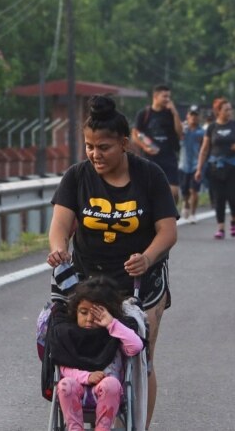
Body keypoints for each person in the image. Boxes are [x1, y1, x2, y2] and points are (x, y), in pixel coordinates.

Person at [48, 95, 178, 430]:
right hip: (88, 282)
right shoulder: (77, 177)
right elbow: (60, 226)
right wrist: (59, 249)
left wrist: (147, 257)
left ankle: (138, 424)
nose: (95, 154)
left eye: (103, 147)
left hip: (140, 280)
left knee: (140, 355)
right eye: (89, 146)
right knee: (81, 347)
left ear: (124, 143)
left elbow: (167, 231)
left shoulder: (150, 176)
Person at [48, 276, 145, 431]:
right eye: (83, 312)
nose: (89, 319)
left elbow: (136, 346)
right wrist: (87, 377)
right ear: (75, 312)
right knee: (65, 383)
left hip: (108, 392)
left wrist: (111, 323)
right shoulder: (70, 335)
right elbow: (64, 368)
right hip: (76, 390)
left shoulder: (114, 335)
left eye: (97, 313)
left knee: (111, 383)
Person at [194, 98, 235, 240]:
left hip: (232, 167)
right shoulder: (212, 128)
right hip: (215, 167)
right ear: (218, 111)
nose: (229, 112)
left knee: (233, 198)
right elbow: (204, 149)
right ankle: (220, 228)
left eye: (230, 109)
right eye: (226, 109)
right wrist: (199, 168)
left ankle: (233, 219)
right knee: (218, 199)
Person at [131, 84, 185, 201]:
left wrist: (175, 113)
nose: (167, 99)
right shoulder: (144, 114)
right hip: (150, 158)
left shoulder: (171, 114)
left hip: (169, 157)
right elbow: (135, 135)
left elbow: (180, 133)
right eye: (164, 96)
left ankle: (170, 215)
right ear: (155, 96)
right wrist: (145, 148)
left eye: (169, 97)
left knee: (174, 193)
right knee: (149, 191)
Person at [177, 107, 206, 222]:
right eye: (191, 115)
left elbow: (206, 147)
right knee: (184, 191)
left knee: (194, 190)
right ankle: (185, 204)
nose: (193, 118)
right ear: (187, 117)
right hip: (183, 164)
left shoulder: (202, 132)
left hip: (196, 165)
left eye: (196, 115)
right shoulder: (183, 130)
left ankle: (193, 214)